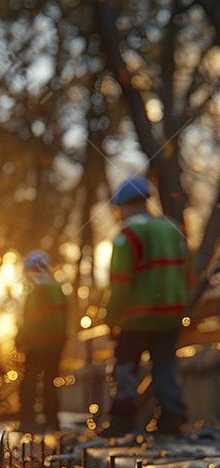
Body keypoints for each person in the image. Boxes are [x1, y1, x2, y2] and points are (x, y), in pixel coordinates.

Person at [103, 176, 193, 437]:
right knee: (165, 367)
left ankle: (122, 422)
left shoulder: (127, 235)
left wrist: (110, 319)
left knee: (126, 367)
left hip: (136, 318)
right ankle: (171, 419)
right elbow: (188, 274)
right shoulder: (173, 229)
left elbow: (119, 284)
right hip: (172, 316)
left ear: (122, 207)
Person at [16, 250, 67, 431]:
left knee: (29, 382)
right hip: (56, 345)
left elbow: (30, 319)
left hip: (37, 345)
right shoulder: (58, 287)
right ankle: (52, 421)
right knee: (50, 383)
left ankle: (28, 421)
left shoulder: (35, 288)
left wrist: (20, 339)